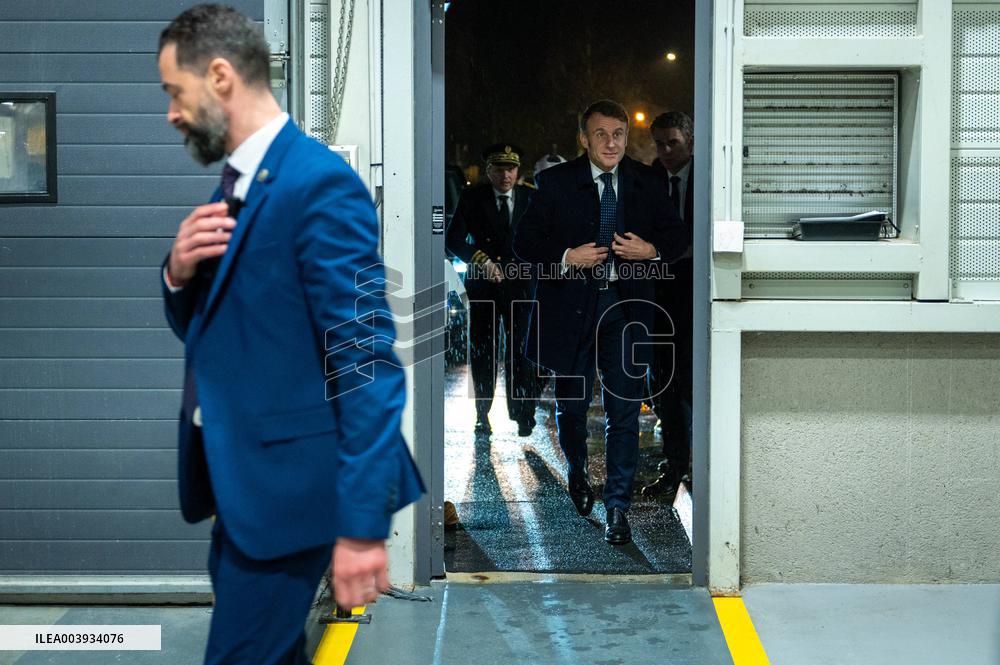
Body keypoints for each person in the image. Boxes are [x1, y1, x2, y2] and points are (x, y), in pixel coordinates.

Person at [157, 6, 423, 663]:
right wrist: (176, 272)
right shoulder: (242, 183)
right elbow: (220, 329)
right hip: (246, 489)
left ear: (220, 77)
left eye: (174, 91)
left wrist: (362, 529)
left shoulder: (320, 186)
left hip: (292, 496)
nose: (170, 112)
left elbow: (366, 364)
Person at [513, 100, 688, 545]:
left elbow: (677, 234)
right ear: (583, 138)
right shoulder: (554, 183)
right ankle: (576, 470)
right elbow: (524, 241)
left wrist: (651, 250)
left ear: (628, 137)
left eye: (619, 134)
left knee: (624, 411)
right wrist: (567, 257)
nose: (611, 143)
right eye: (601, 134)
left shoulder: (647, 181)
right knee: (571, 409)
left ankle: (617, 508)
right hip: (571, 311)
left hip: (627, 313)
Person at [446, 143, 540, 438]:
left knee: (522, 352)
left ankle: (524, 413)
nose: (505, 175)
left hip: (520, 286)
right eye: (499, 169)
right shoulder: (473, 197)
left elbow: (545, 236)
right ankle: (481, 414)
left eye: (510, 168)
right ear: (488, 171)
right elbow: (453, 238)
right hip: (484, 285)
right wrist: (481, 259)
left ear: (518, 171)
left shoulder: (531, 198)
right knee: (483, 351)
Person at [643, 111, 695, 500]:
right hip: (659, 296)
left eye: (672, 143)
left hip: (697, 296)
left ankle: (696, 465)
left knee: (694, 386)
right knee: (665, 387)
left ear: (689, 140)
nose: (664, 151)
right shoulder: (649, 180)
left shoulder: (709, 177)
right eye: (658, 143)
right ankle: (673, 466)